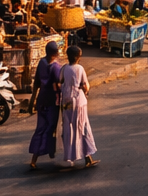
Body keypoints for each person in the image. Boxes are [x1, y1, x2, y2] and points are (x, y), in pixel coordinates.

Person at [59, 47, 97, 168]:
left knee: (69, 128)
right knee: (82, 127)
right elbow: (85, 85)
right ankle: (87, 157)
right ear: (78, 57)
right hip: (78, 101)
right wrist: (86, 91)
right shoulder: (79, 69)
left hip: (66, 101)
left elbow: (60, 81)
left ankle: (72, 155)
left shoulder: (64, 68)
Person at [27, 41, 62, 170]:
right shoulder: (56, 67)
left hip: (41, 100)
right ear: (56, 53)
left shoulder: (41, 63)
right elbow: (58, 85)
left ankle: (34, 159)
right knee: (51, 127)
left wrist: (32, 101)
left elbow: (36, 83)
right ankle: (51, 150)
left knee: (40, 128)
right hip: (53, 101)